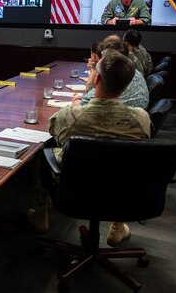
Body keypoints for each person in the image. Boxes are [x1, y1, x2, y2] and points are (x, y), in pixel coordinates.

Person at [27, 50, 151, 246]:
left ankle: (41, 214)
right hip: (123, 189)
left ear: (97, 78)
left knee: (45, 153)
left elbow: (53, 133)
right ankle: (117, 226)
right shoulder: (141, 118)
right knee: (124, 162)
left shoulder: (70, 116)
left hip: (75, 187)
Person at [75, 38, 149, 109]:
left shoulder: (111, 76)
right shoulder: (135, 72)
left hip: (116, 118)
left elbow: (82, 106)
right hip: (135, 117)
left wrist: (76, 101)